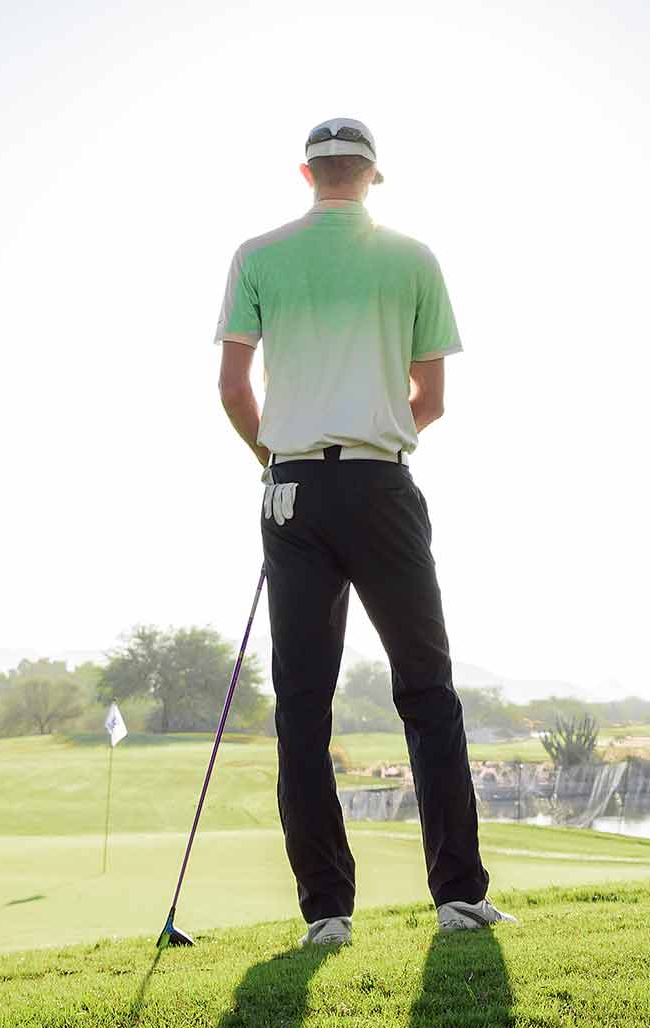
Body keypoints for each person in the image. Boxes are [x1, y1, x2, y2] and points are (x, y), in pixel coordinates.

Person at [214, 116, 514, 941]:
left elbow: (234, 388)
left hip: (292, 491)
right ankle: (459, 897)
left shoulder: (257, 254)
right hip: (382, 485)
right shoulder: (411, 256)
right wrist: (376, 432)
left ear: (307, 174)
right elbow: (432, 399)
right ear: (371, 176)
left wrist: (274, 458)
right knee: (427, 689)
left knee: (303, 706)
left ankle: (327, 915)